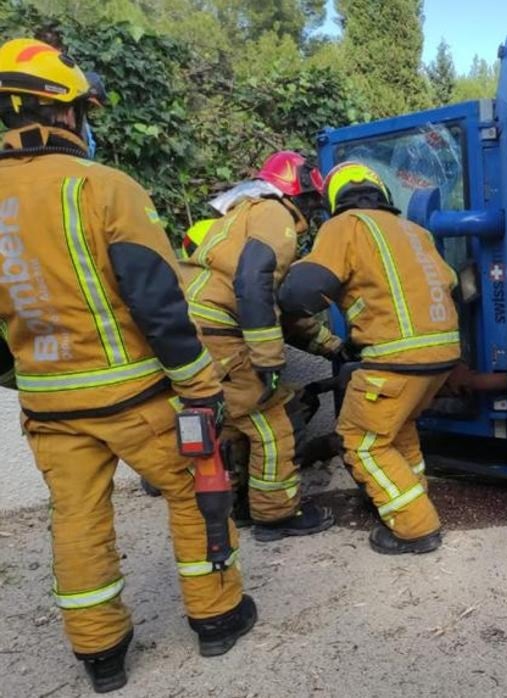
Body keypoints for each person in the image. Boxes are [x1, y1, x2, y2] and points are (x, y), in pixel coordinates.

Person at [0, 38, 254, 692]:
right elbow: (158, 303)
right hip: (136, 397)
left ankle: (102, 654)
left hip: (50, 408)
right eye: (84, 110)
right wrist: (201, 384)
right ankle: (218, 617)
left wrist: (24, 376)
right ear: (59, 113)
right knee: (196, 496)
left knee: (77, 521)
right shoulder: (102, 187)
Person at [278, 162, 460, 555]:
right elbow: (454, 284)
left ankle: (415, 528)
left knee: (361, 442)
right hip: (442, 354)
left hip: (394, 357)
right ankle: (411, 495)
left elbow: (301, 293)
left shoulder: (346, 226)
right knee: (398, 431)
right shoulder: (415, 232)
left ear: (334, 199)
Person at [179, 151, 339, 540]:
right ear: (295, 189)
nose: (310, 215)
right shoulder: (273, 214)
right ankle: (276, 515)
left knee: (234, 421)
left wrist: (330, 346)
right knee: (271, 423)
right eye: (311, 202)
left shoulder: (239, 216)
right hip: (220, 334)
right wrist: (267, 357)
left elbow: (275, 306)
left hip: (196, 330)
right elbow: (254, 284)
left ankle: (242, 505)